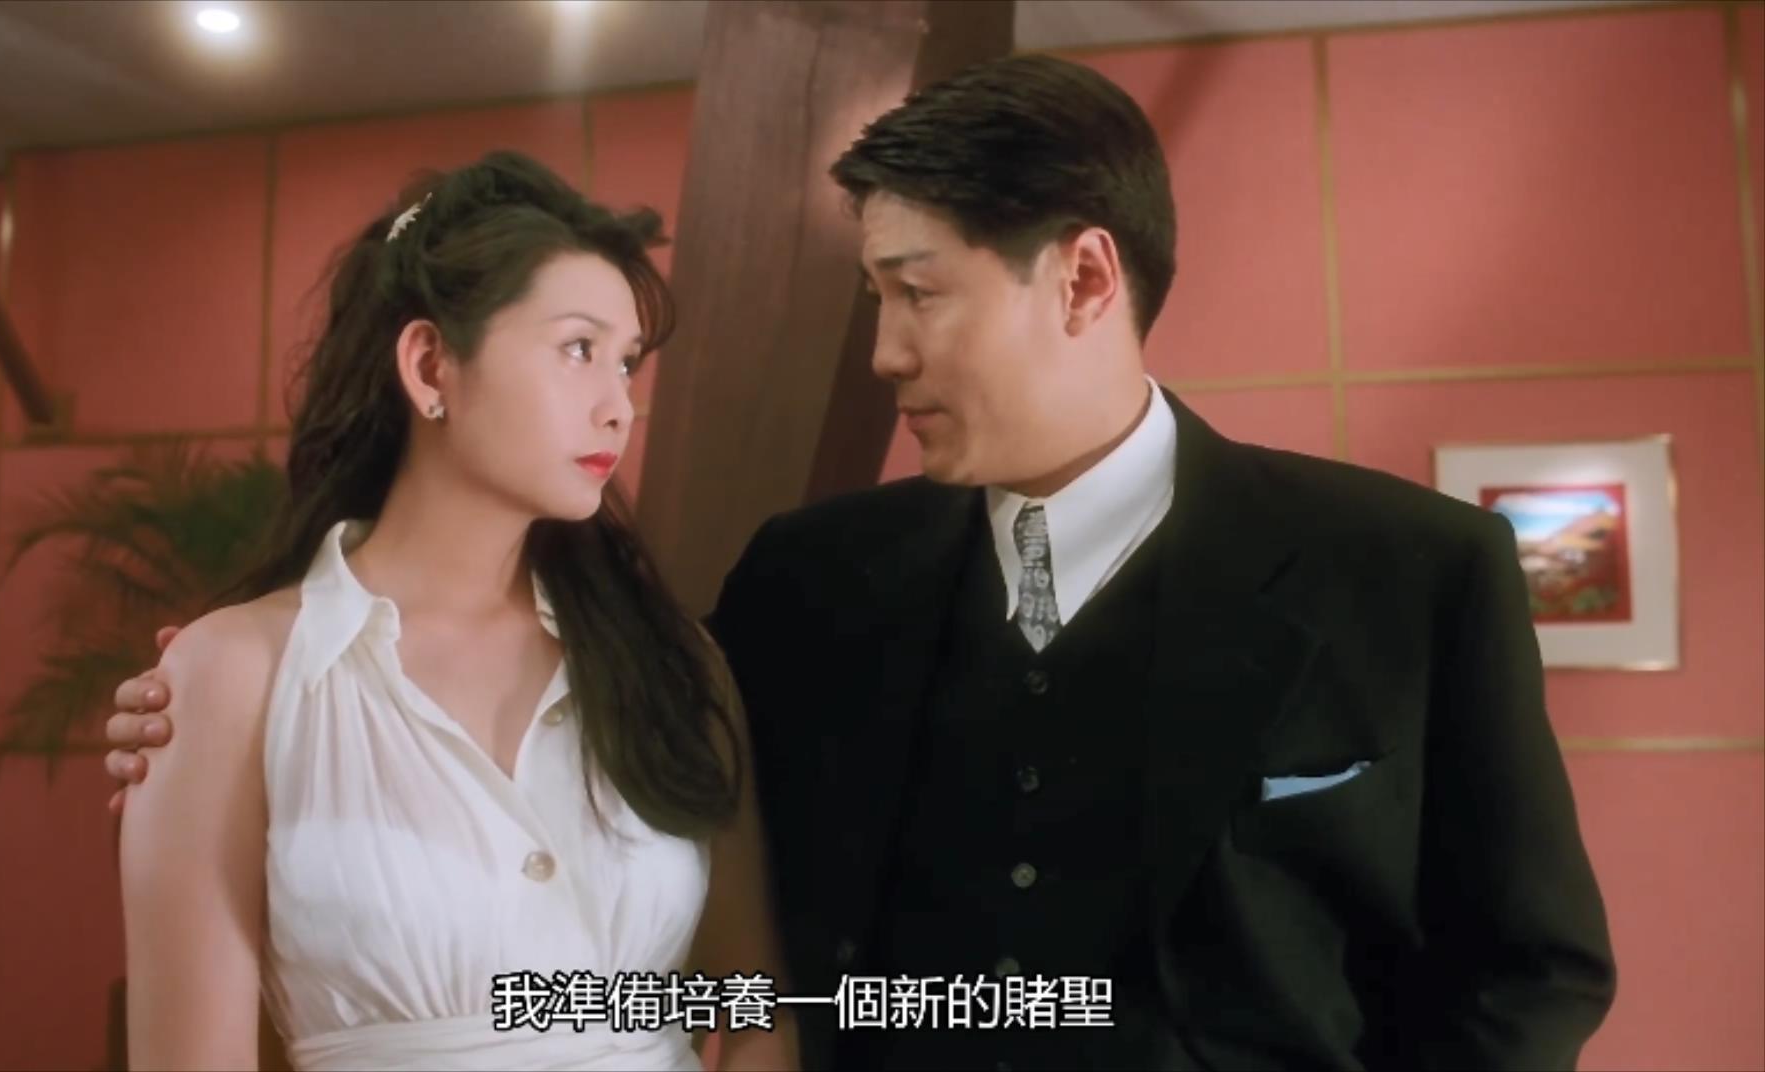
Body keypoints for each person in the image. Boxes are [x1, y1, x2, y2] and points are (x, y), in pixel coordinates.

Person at [106, 55, 1615, 1071]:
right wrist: (211, 709)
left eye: (917, 294)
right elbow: (667, 855)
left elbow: (1532, 969)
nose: (884, 353)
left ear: (1085, 277)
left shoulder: (1409, 572)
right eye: (870, 297)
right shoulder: (809, 585)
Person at [110, 150, 797, 1071]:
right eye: (579, 349)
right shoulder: (237, 671)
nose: (619, 408)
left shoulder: (671, 664)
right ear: (431, 364)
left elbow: (754, 1007)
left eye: (627, 364)